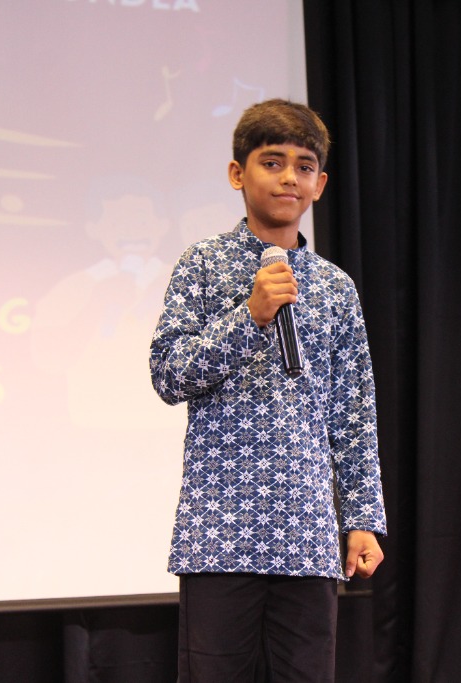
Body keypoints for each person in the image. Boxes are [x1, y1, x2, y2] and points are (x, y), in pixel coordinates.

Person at [149, 99, 387, 682]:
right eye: (272, 162)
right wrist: (248, 316)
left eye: (304, 167)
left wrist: (362, 518)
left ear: (320, 185)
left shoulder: (335, 288)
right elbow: (168, 374)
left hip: (306, 535)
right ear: (238, 173)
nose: (288, 178)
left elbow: (354, 415)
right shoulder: (202, 265)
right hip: (220, 531)